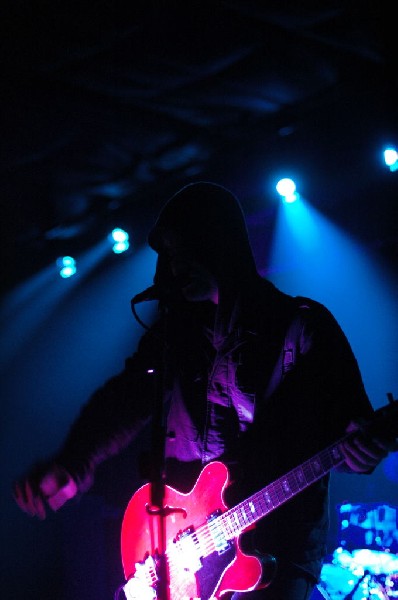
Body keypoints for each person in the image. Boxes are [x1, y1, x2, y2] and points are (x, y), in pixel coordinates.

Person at [13, 182, 397, 599]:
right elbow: (124, 399)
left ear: (219, 244)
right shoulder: (174, 333)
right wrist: (73, 462)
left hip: (276, 550)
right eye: (169, 257)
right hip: (183, 548)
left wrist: (366, 447)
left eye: (184, 251)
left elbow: (356, 429)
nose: (175, 268)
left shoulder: (302, 326)